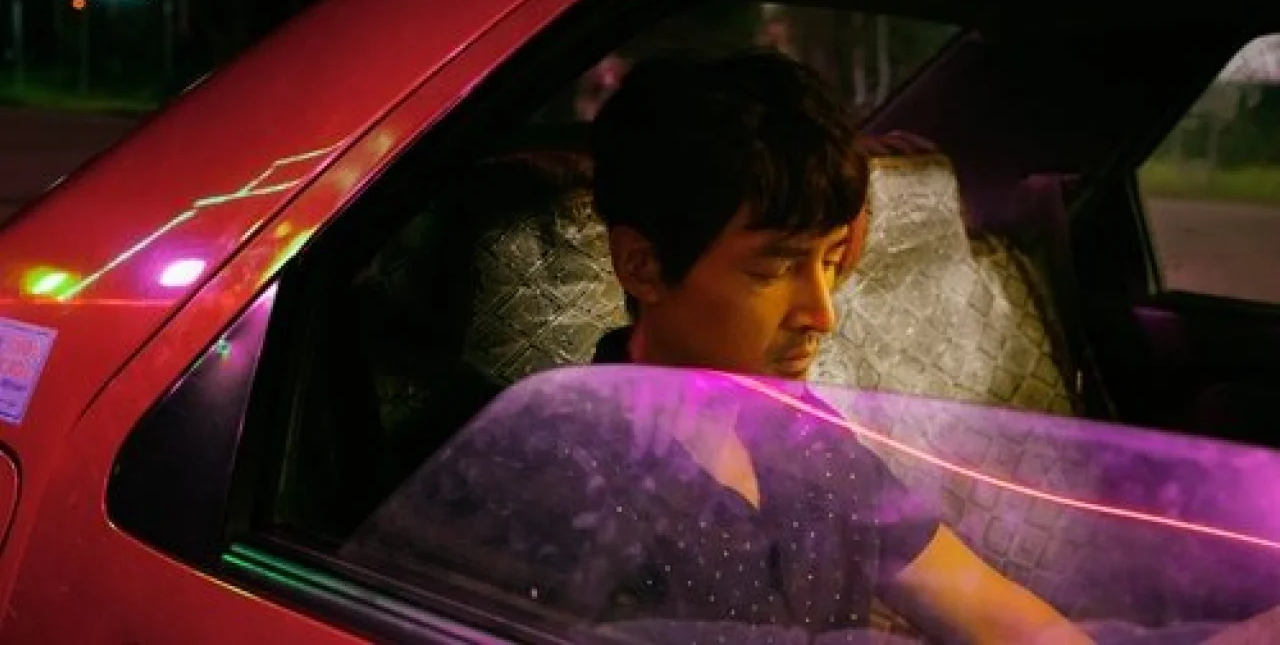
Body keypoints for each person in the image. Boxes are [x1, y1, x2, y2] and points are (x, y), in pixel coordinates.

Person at [342, 52, 1092, 644]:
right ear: (643, 266)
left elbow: (992, 611)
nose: (822, 313)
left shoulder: (805, 438)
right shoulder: (551, 477)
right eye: (773, 269)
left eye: (831, 262)